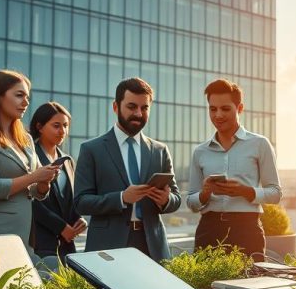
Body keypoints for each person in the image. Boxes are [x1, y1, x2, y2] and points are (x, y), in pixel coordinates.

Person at [74, 77, 181, 261]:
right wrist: (121, 198)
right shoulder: (91, 149)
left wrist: (166, 200)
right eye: (132, 107)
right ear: (116, 107)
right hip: (107, 247)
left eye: (144, 108)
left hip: (152, 246)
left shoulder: (159, 150)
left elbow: (176, 198)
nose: (139, 114)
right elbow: (81, 202)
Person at [187, 79, 282, 259]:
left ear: (239, 108)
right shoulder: (200, 152)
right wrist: (205, 193)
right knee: (205, 286)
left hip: (246, 231)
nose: (218, 115)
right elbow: (191, 202)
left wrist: (245, 191)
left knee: (249, 284)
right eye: (213, 109)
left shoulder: (260, 144)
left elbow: (276, 193)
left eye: (225, 109)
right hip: (209, 230)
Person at [0, 70, 58, 253]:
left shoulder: (26, 139)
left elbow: (34, 191)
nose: (26, 102)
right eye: (19, 95)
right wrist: (34, 176)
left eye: (27, 97)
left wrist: (43, 183)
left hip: (24, 232)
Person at [30, 101, 86, 262]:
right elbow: (31, 200)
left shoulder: (68, 161)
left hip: (66, 244)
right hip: (41, 241)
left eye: (65, 126)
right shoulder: (30, 156)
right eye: (56, 125)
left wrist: (79, 219)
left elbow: (69, 200)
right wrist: (61, 227)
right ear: (40, 127)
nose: (62, 131)